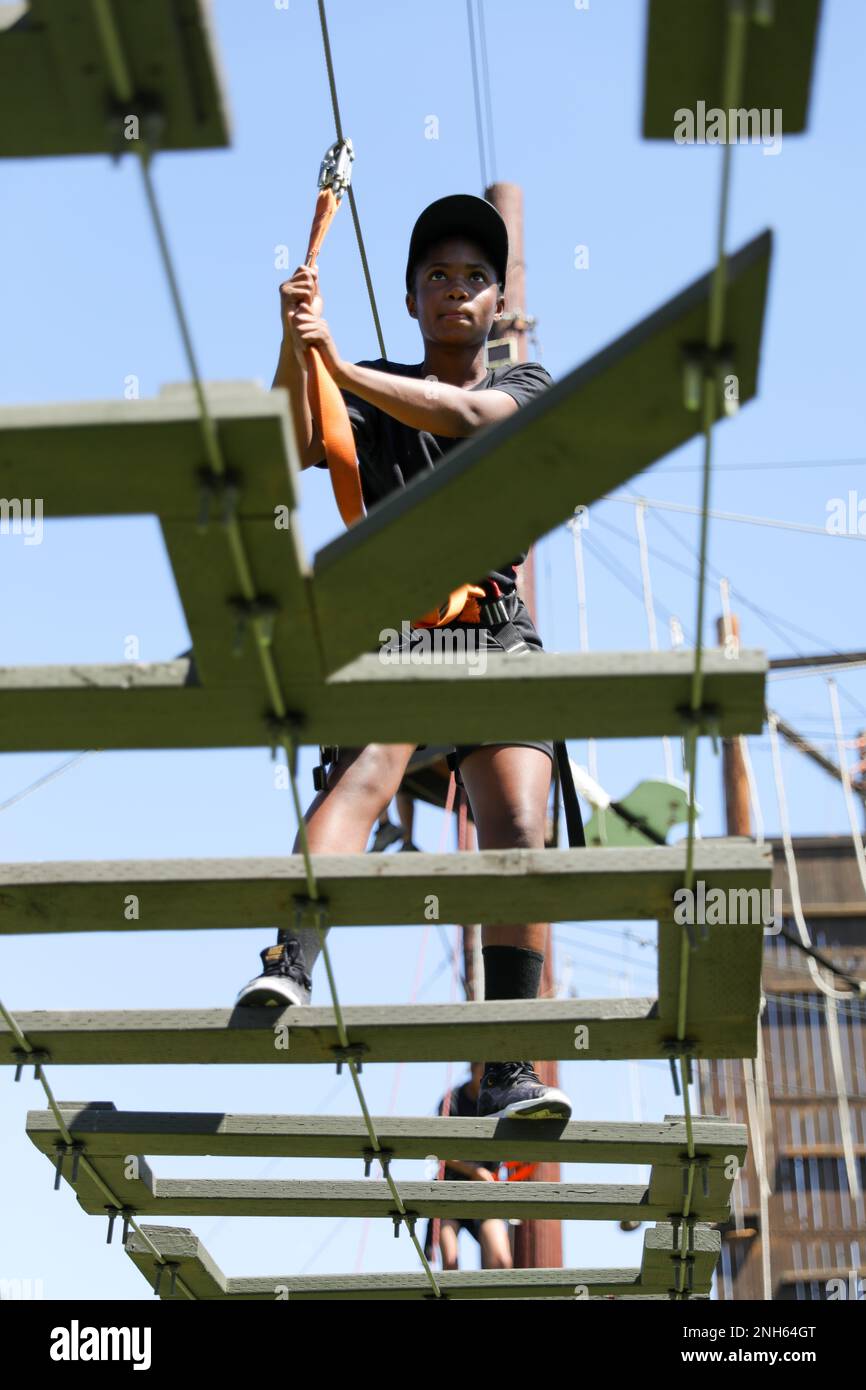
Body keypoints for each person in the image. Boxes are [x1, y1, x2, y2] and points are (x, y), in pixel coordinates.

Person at [235, 193, 571, 1123]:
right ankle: (286, 967)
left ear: (497, 303)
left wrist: (336, 362)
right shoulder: (363, 387)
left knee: (517, 822)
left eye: (474, 279)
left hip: (492, 626)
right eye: (438, 277)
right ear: (415, 298)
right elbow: (292, 442)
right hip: (400, 629)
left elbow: (470, 412)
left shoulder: (527, 383)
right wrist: (295, 346)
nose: (456, 291)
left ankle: (507, 1063)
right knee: (364, 776)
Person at [423, 1063, 513, 1270]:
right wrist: (474, 1171)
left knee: (501, 1262)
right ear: (472, 1069)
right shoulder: (452, 1099)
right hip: (452, 1189)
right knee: (451, 1264)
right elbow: (440, 1151)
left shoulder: (497, 1103)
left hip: (485, 1191)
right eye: (482, 1070)